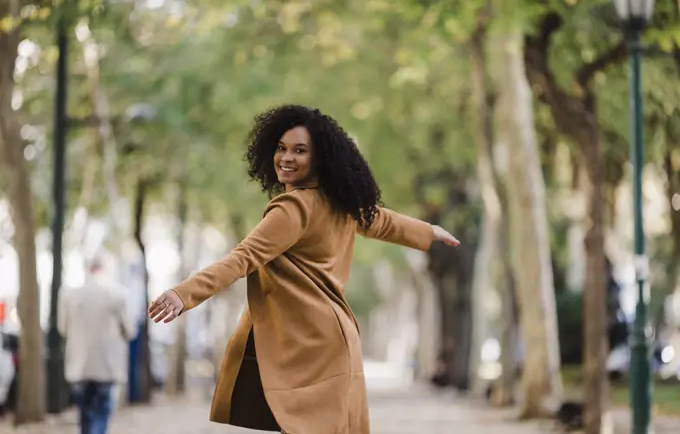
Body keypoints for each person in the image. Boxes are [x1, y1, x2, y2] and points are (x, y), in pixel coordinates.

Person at [148, 105, 460, 434]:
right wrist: (427, 232)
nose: (286, 158)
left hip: (307, 341)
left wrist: (183, 294)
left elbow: (243, 258)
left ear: (320, 158)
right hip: (336, 337)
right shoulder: (340, 203)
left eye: (299, 150)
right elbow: (379, 220)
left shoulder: (294, 207)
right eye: (281, 148)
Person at [58, 259, 135, 434]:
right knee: (101, 413)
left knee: (85, 415)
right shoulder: (117, 294)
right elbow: (129, 331)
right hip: (106, 365)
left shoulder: (69, 295)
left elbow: (63, 328)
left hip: (79, 365)